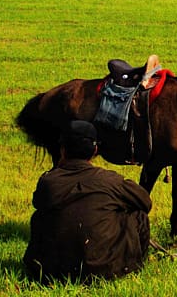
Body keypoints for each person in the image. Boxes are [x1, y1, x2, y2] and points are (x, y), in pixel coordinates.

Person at [23, 121, 152, 283]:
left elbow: (39, 203)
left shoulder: (47, 182)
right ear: (95, 150)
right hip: (106, 271)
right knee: (138, 215)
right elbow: (145, 202)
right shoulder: (110, 180)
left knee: (40, 215)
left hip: (50, 271)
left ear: (62, 150)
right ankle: (135, 264)